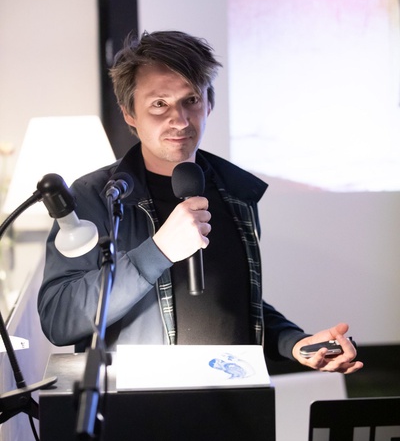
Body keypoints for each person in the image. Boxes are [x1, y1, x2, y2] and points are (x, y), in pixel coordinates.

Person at [37, 30, 363, 375]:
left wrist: (294, 343)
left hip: (236, 396)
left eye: (190, 99)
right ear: (129, 113)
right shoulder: (97, 196)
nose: (179, 120)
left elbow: (233, 302)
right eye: (159, 104)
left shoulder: (235, 191)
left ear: (209, 103)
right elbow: (59, 317)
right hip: (140, 398)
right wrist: (158, 251)